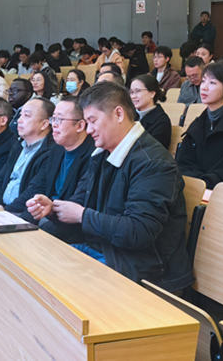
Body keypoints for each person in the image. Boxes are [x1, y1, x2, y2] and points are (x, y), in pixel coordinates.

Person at [26, 82, 193, 291]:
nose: (89, 130)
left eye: (93, 121)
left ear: (119, 114)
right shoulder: (102, 154)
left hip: (144, 267)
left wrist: (82, 215)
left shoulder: (153, 163)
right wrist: (53, 209)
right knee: (34, 259)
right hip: (104, 250)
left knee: (49, 282)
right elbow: (79, 204)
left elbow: (138, 232)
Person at [18, 96, 94, 224]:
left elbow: (76, 204)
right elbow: (38, 187)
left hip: (68, 224)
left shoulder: (92, 156)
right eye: (53, 119)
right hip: (47, 217)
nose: (54, 124)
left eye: (59, 119)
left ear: (80, 125)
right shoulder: (56, 150)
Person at [0, 97, 55, 213]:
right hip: (1, 209)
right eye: (20, 115)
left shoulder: (50, 153)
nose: (19, 120)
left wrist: (5, 212)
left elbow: (34, 192)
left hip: (20, 214)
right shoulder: (18, 146)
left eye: (27, 116)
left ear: (44, 124)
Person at [130, 75, 171, 148]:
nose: (133, 96)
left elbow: (154, 150)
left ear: (152, 93)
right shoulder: (129, 115)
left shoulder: (161, 121)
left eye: (138, 91)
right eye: (132, 92)